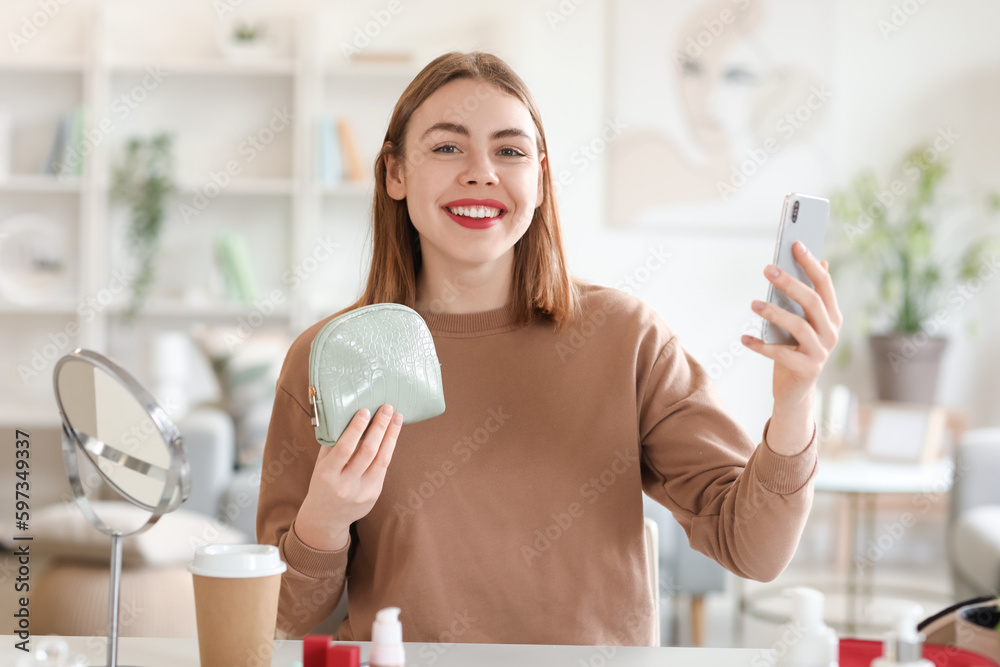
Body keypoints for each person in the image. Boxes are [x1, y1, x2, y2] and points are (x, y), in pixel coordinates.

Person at [256, 50, 842, 646]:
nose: (482, 172)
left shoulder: (625, 337)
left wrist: (795, 399)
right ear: (395, 174)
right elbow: (284, 616)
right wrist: (325, 519)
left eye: (509, 151)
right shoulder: (329, 357)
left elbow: (755, 550)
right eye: (447, 147)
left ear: (539, 178)